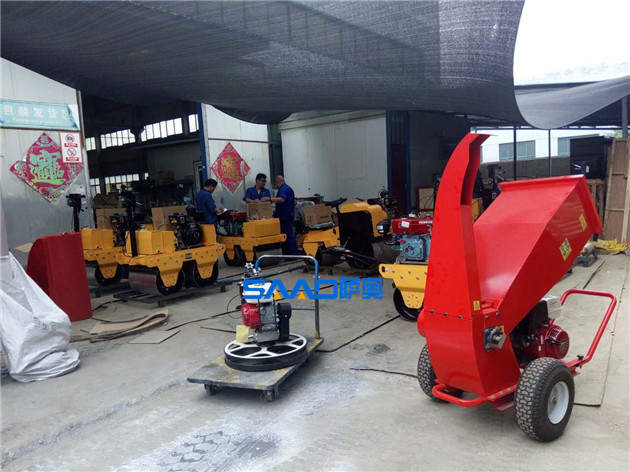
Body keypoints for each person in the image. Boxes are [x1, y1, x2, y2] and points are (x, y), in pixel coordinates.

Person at [270, 175, 298, 255]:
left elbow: (282, 199)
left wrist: (270, 199)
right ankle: (291, 254)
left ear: (277, 182)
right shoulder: (288, 188)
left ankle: (293, 255)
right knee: (288, 236)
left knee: (287, 236)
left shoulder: (283, 189)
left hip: (284, 217)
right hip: (288, 216)